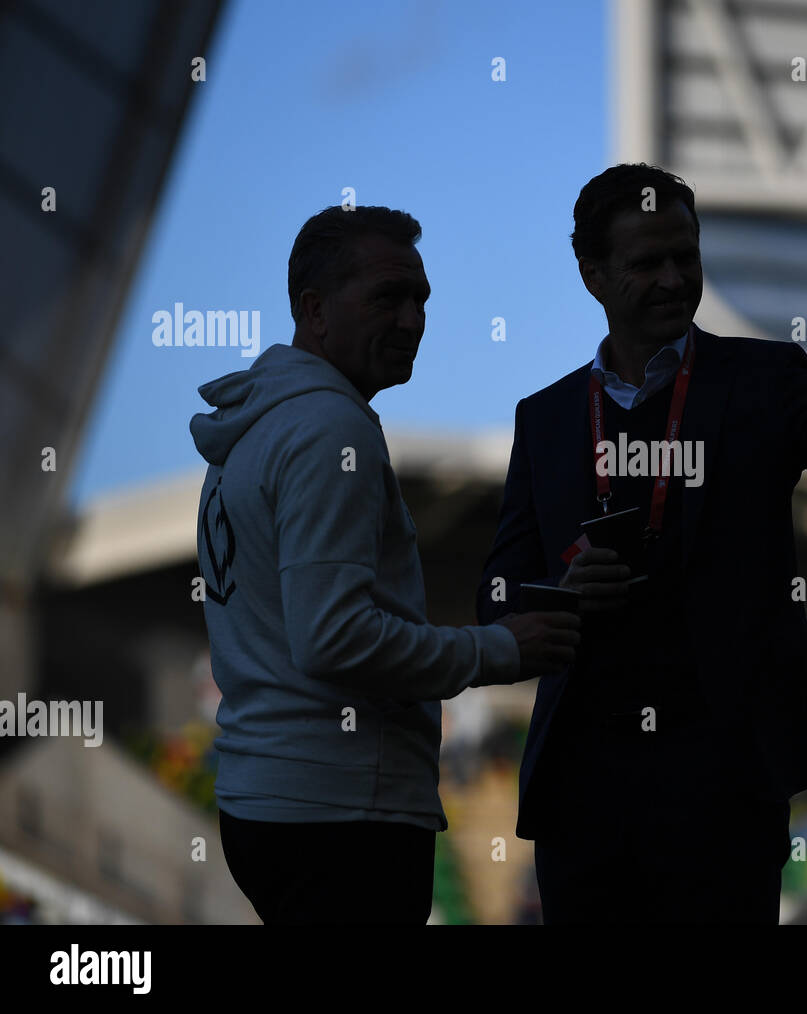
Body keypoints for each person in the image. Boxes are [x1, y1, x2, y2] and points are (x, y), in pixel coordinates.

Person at [476, 163, 807, 924]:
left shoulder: (764, 378)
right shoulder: (547, 418)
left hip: (726, 779)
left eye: (686, 258)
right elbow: (497, 594)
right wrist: (561, 595)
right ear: (592, 276)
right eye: (646, 263)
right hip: (586, 791)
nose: (673, 279)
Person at [190, 205, 579, 925]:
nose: (411, 320)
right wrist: (500, 647)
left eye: (421, 299)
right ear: (314, 310)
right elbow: (334, 637)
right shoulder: (327, 430)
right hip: (337, 813)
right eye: (387, 298)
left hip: (271, 802)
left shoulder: (259, 427)